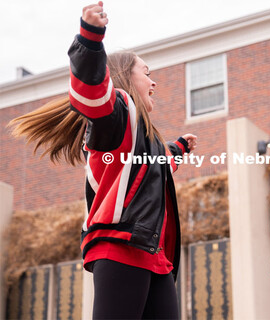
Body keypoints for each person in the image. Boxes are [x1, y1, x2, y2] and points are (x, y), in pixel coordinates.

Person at [9, 2, 196, 319]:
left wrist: (177, 148)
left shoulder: (142, 132)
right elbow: (91, 90)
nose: (153, 82)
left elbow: (150, 168)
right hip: (121, 245)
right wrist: (90, 37)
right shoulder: (117, 112)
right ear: (125, 77)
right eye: (146, 73)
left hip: (154, 253)